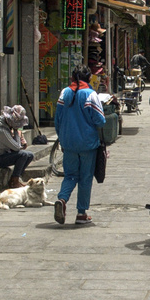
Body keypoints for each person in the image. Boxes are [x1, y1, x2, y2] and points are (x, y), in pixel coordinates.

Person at [53, 66, 105, 226]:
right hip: (87, 144)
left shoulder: (64, 93)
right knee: (85, 177)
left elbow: (57, 120)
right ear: (89, 78)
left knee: (70, 175)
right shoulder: (90, 94)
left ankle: (62, 199)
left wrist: (62, 137)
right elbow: (100, 120)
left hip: (68, 143)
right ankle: (81, 213)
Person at [0, 105, 34, 185]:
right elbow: (16, 148)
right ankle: (14, 180)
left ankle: (18, 177)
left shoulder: (7, 129)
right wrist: (16, 131)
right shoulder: (0, 130)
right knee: (23, 155)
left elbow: (17, 146)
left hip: (4, 155)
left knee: (30, 155)